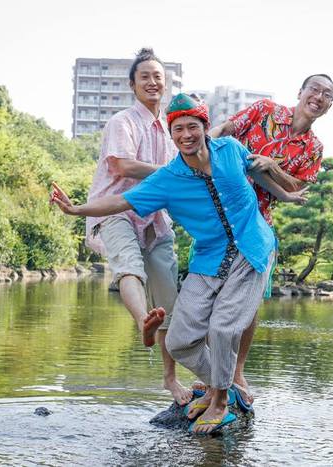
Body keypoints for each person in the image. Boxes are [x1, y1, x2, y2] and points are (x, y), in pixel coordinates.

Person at [51, 93, 307, 434]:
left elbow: (255, 170)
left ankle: (220, 403)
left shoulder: (230, 148)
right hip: (210, 257)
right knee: (179, 340)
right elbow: (120, 200)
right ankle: (227, 387)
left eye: (192, 126)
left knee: (223, 328)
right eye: (178, 130)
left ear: (205, 127)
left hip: (252, 248)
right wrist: (77, 210)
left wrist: (285, 194)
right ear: (172, 136)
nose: (186, 134)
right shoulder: (168, 178)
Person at [207, 74, 333, 405]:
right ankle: (209, 370)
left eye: (327, 95)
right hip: (219, 211)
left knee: (251, 303)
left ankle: (236, 371)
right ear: (301, 92)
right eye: (315, 89)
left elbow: (295, 188)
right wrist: (201, 146)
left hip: (259, 220)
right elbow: (226, 129)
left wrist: (271, 166)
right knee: (209, 293)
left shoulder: (314, 149)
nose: (319, 97)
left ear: (329, 105)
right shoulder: (264, 110)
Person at [84, 48, 190, 405]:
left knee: (170, 304)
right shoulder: (123, 122)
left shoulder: (171, 129)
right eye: (144, 76)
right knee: (129, 267)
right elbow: (123, 166)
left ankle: (170, 380)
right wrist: (171, 174)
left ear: (167, 83)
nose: (152, 81)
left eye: (158, 76)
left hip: (155, 221)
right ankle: (144, 321)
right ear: (133, 85)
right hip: (113, 211)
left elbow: (190, 166)